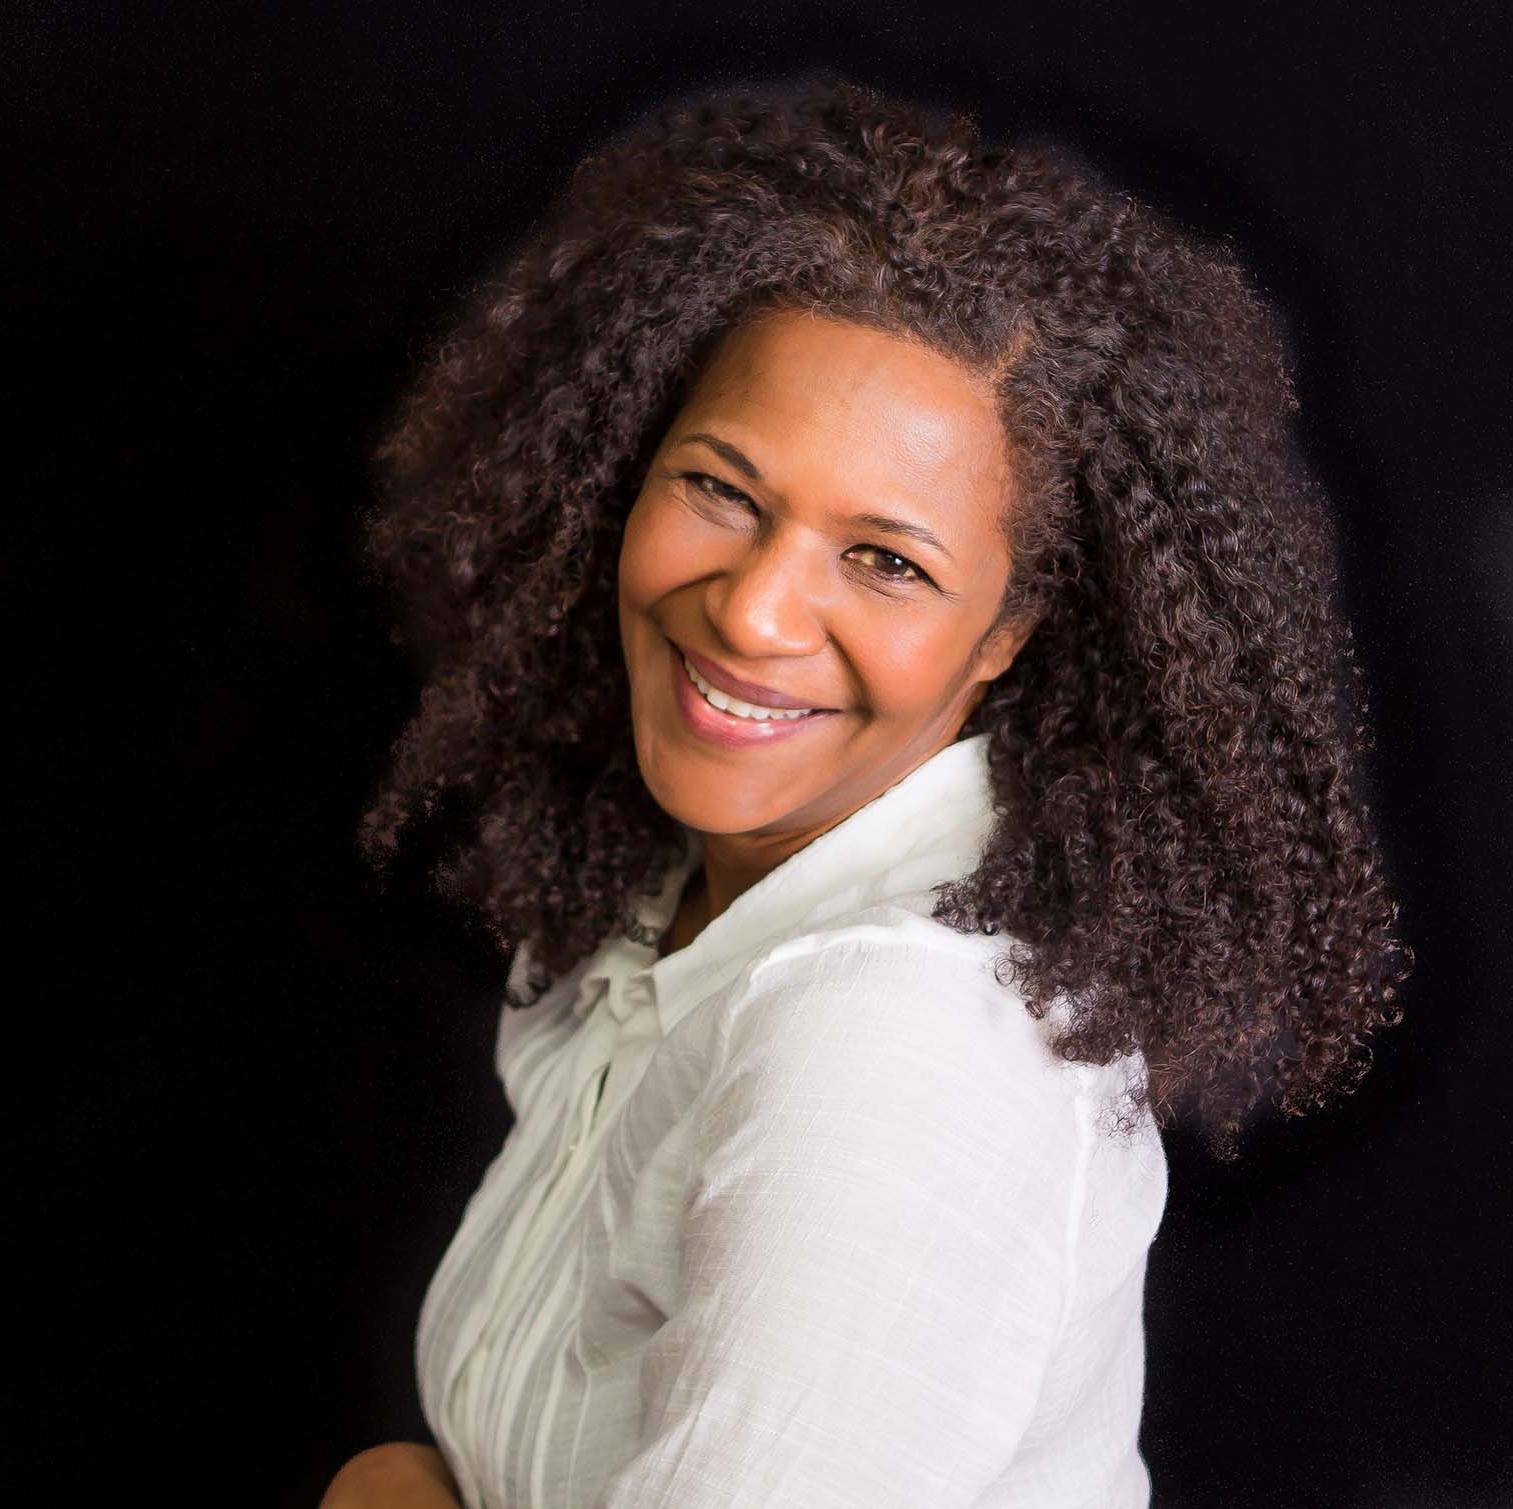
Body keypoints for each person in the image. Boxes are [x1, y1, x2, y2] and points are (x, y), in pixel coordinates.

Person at [321, 72, 1412, 1509]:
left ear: (1010, 633)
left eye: (886, 560)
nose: (757, 611)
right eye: (721, 487)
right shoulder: (682, 907)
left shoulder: (895, 1043)